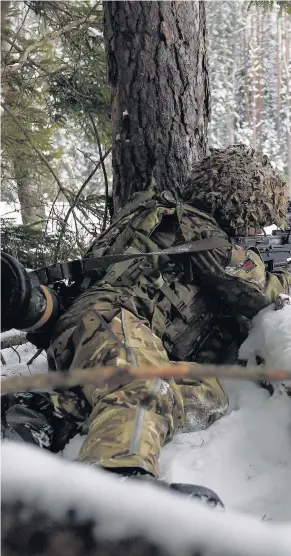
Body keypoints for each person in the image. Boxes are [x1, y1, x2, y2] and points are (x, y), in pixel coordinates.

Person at [3, 145, 291, 506]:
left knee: (208, 394)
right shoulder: (199, 230)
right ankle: (117, 481)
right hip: (113, 319)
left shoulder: (159, 214)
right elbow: (261, 291)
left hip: (91, 329)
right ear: (243, 201)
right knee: (142, 386)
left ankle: (41, 414)